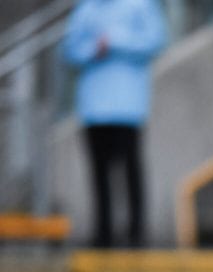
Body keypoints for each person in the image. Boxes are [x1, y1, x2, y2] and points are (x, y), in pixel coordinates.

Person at [61, 0, 167, 248]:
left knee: (130, 170)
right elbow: (68, 50)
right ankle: (103, 234)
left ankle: (136, 233)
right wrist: (92, 49)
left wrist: (115, 43)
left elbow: (156, 41)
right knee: (99, 173)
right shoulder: (86, 9)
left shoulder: (140, 5)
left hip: (128, 104)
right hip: (93, 107)